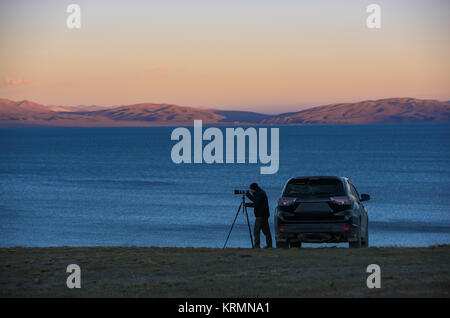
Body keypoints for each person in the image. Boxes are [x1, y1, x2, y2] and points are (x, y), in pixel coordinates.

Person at [245, 183, 272, 248]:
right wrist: (248, 195)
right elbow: (255, 200)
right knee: (266, 231)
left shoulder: (259, 194)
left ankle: (257, 246)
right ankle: (269, 245)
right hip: (264, 215)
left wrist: (247, 205)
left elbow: (256, 204)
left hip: (261, 215)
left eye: (251, 190)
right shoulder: (260, 193)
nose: (251, 191)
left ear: (254, 189)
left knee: (256, 231)